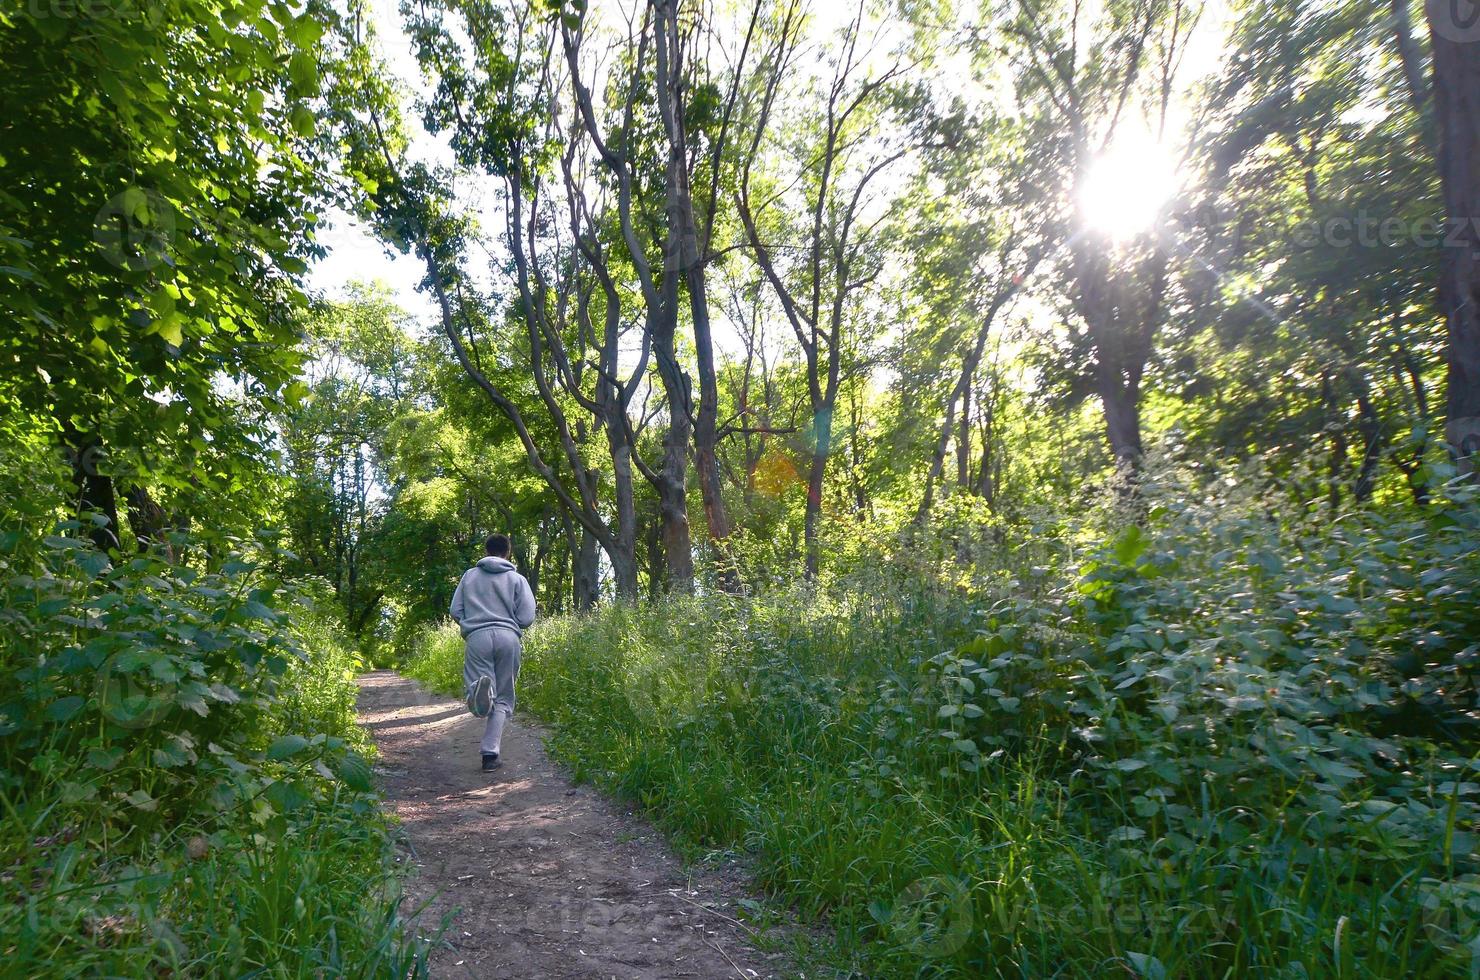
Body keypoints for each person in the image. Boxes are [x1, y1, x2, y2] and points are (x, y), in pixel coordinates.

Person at [449, 533, 536, 772]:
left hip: (477, 637)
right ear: (507, 552)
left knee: (481, 686)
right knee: (505, 698)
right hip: (508, 637)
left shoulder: (469, 576)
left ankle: (480, 696)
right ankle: (490, 754)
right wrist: (510, 621)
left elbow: (455, 610)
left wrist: (473, 623)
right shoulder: (517, 579)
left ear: (486, 551)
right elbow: (527, 617)